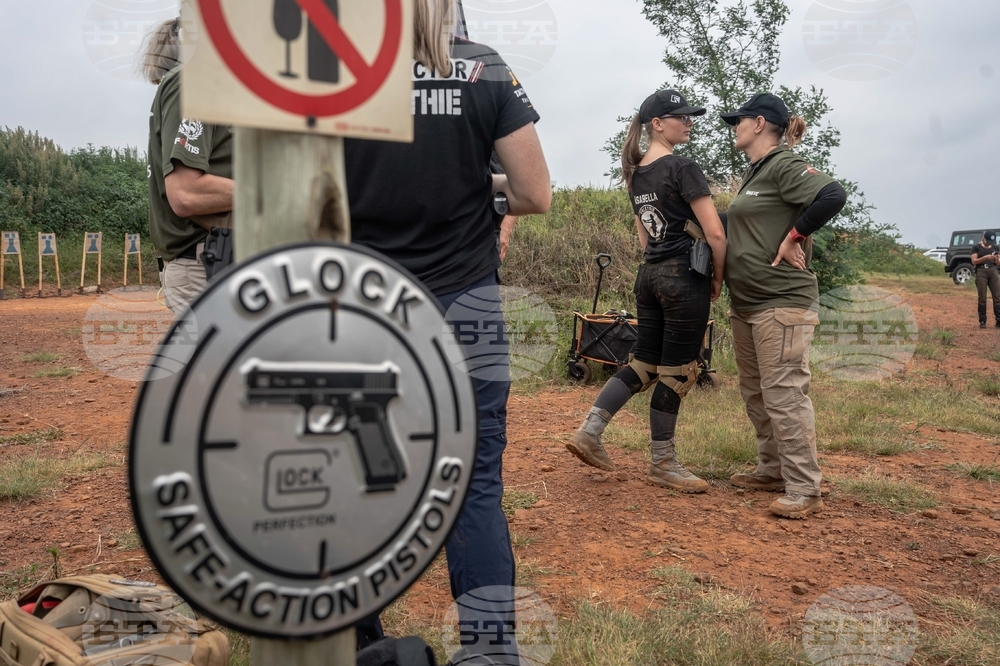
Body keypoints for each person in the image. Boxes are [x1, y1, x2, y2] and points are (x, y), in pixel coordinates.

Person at [344, 0, 551, 660]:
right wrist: (474, 181)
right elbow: (533, 193)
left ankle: (359, 642)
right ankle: (490, 652)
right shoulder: (484, 69)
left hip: (368, 311)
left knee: (360, 477)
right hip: (467, 309)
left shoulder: (338, 74)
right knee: (475, 486)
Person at [566, 90, 726, 493]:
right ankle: (663, 463)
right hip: (682, 277)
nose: (689, 122)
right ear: (657, 123)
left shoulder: (636, 174)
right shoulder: (683, 167)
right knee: (677, 372)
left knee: (644, 363)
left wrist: (661, 266)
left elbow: (644, 237)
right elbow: (715, 233)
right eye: (681, 117)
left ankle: (590, 431)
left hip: (650, 275)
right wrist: (717, 277)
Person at [719, 93, 847, 519]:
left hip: (783, 301)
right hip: (748, 304)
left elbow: (832, 194)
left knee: (785, 394)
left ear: (758, 124)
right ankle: (772, 469)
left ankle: (805, 488)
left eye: (738, 120)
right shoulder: (756, 173)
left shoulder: (784, 164)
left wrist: (795, 235)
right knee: (756, 392)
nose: (733, 126)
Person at [141, 18, 233, 314]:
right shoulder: (192, 81)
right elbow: (185, 193)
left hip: (211, 261)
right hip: (206, 263)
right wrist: (270, 191)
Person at [971, 231, 1000, 328]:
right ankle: (982, 320)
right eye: (988, 241)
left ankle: (999, 320)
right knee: (982, 297)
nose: (989, 243)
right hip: (981, 270)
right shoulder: (976, 247)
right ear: (984, 238)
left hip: (993, 270)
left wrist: (996, 258)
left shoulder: (996, 247)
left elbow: (998, 264)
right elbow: (974, 261)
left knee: (997, 296)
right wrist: (985, 257)